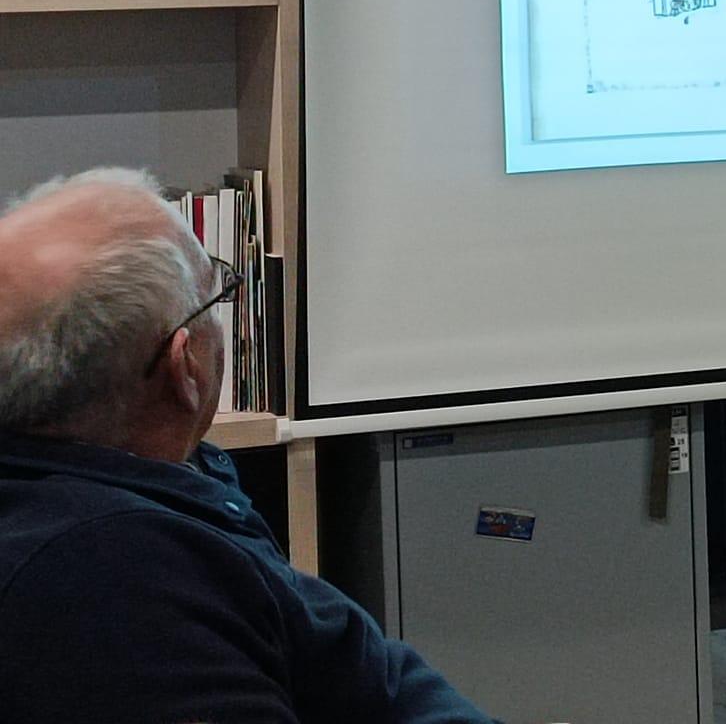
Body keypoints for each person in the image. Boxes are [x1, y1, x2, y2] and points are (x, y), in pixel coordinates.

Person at [0, 167, 495, 723]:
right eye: (216, 293)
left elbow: (367, 674)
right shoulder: (111, 580)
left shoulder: (153, 490)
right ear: (184, 367)